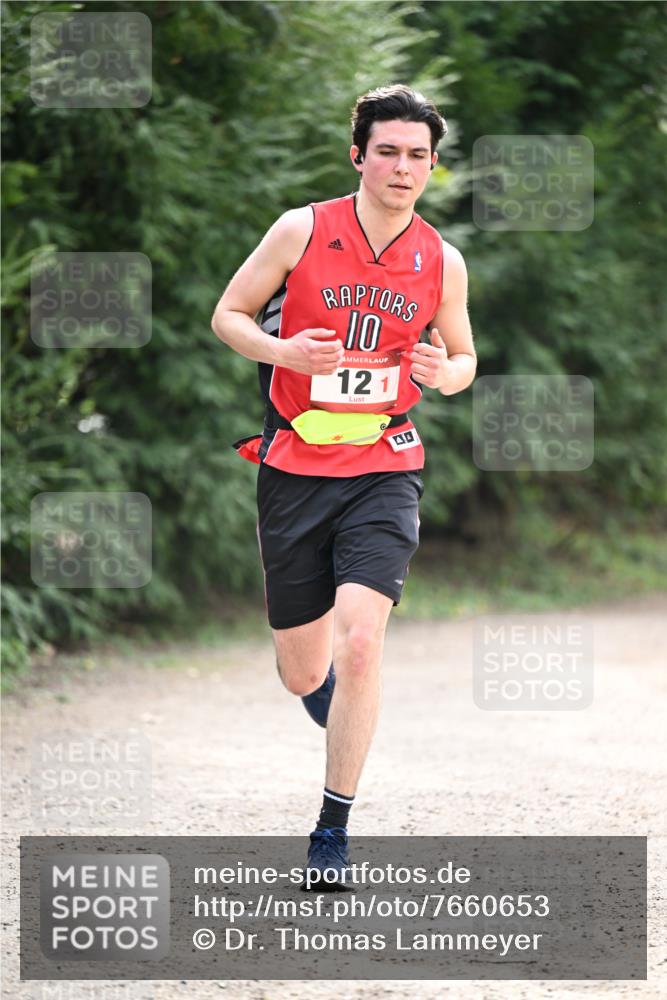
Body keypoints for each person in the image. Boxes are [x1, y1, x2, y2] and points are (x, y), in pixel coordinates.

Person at [211, 84, 476, 890]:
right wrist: (283, 352)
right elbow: (228, 315)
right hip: (294, 467)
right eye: (387, 150)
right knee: (302, 671)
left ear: (432, 166)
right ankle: (318, 687)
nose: (402, 167)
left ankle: (332, 829)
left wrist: (446, 372)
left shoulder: (442, 259)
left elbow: (463, 360)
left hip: (384, 463)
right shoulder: (302, 229)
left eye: (417, 155)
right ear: (357, 154)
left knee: (364, 638)